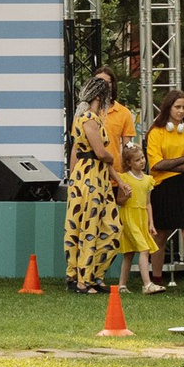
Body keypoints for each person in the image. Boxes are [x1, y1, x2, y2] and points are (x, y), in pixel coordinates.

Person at [64, 73, 123, 294]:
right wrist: (109, 155)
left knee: (112, 228)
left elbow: (102, 158)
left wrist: (118, 179)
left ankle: (93, 275)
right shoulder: (88, 118)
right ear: (99, 96)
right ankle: (82, 280)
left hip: (99, 178)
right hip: (88, 177)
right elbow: (100, 152)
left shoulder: (91, 119)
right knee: (88, 227)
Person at [145, 90, 184, 294]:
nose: (181, 111)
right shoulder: (156, 132)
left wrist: (171, 164)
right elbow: (156, 165)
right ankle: (156, 279)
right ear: (168, 108)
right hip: (161, 187)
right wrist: (183, 158)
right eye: (177, 107)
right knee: (160, 234)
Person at [116, 141, 163, 293]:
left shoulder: (148, 180)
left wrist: (151, 223)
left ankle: (122, 285)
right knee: (144, 249)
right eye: (137, 160)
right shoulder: (124, 178)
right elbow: (120, 201)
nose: (142, 161)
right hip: (129, 216)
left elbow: (148, 203)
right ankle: (147, 284)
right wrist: (126, 195)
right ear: (129, 163)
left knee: (129, 253)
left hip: (142, 217)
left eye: (142, 158)